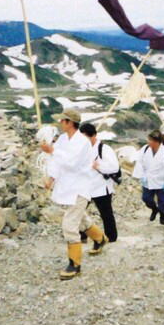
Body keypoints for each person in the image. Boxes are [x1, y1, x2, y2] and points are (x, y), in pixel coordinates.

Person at [40, 108, 107, 280]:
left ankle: (75, 264)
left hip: (80, 187)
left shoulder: (82, 142)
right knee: (80, 217)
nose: (60, 123)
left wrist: (52, 151)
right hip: (67, 186)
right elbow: (57, 162)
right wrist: (51, 178)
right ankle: (100, 238)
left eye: (62, 120)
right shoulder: (63, 139)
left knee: (70, 224)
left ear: (70, 122)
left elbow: (72, 162)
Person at [80, 123, 120, 242]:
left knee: (106, 214)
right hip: (85, 187)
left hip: (101, 187)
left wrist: (98, 166)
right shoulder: (82, 149)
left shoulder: (104, 149)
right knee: (78, 211)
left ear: (93, 136)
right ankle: (82, 235)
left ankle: (111, 237)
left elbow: (114, 167)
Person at [133, 129, 164, 225]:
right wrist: (141, 175)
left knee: (163, 201)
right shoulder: (145, 149)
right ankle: (154, 209)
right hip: (148, 180)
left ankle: (162, 215)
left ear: (157, 142)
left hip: (161, 181)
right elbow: (139, 162)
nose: (148, 142)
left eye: (150, 140)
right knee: (146, 198)